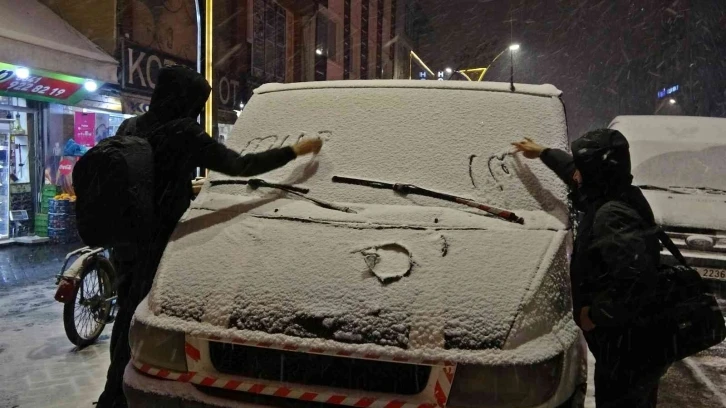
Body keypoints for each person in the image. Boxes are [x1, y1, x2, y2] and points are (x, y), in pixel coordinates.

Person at [97, 65, 322, 407]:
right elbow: (240, 166)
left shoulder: (132, 125)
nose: (199, 110)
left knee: (127, 313)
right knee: (141, 320)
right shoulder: (184, 132)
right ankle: (118, 396)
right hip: (159, 239)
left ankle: (115, 392)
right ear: (186, 100)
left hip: (127, 238)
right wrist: (295, 151)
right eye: (199, 102)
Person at [513, 131, 669, 408]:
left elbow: (637, 282)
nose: (576, 176)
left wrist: (595, 314)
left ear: (598, 173)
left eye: (583, 169)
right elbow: (574, 173)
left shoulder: (611, 216)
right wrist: (544, 153)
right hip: (632, 346)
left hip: (629, 352)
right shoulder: (616, 193)